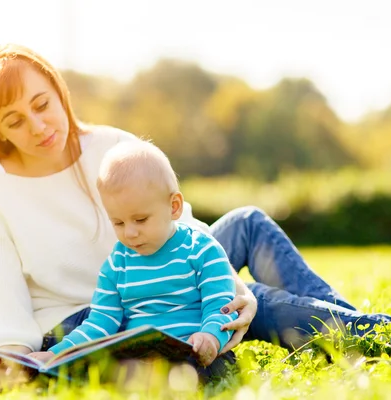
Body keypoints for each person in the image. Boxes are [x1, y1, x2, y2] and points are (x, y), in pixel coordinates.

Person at [0, 43, 391, 389]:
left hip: (169, 267)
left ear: (59, 92)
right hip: (95, 319)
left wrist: (232, 289)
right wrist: (19, 361)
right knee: (263, 305)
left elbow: (182, 229)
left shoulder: (113, 146)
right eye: (15, 121)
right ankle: (382, 335)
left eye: (41, 105)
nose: (38, 126)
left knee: (246, 226)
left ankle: (361, 328)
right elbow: (1, 306)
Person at [27, 140, 240, 382]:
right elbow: (99, 323)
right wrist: (54, 354)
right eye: (118, 222)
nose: (129, 233)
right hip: (140, 359)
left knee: (202, 372)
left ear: (174, 206)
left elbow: (221, 307)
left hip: (197, 354)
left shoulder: (203, 250)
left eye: (140, 220)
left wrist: (210, 337)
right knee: (100, 368)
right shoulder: (117, 265)